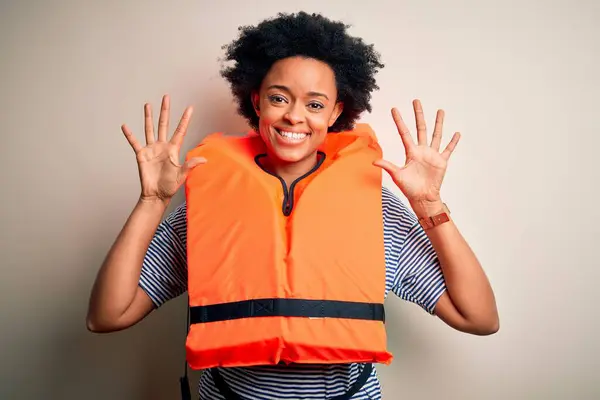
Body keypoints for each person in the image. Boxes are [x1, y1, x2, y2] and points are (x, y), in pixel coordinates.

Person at [86, 11, 499, 400]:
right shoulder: (208, 200)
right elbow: (107, 316)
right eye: (279, 98)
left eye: (315, 104)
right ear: (256, 101)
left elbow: (478, 318)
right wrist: (152, 201)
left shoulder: (373, 207)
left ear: (337, 111)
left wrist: (430, 205)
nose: (294, 117)